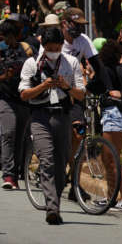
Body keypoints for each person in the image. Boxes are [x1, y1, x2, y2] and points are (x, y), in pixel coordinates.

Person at [19, 26, 85, 225]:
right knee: (46, 159)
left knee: (61, 160)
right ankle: (52, 208)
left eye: (56, 47)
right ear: (43, 46)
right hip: (40, 117)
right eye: (49, 47)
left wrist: (67, 86)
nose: (53, 51)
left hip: (62, 116)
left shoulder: (71, 63)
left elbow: (81, 94)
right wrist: (43, 86)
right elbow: (24, 94)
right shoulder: (31, 64)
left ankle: (55, 200)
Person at [0, 19, 34, 190]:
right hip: (5, 99)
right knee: (8, 133)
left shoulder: (26, 51)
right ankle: (8, 174)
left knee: (21, 138)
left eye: (3, 37)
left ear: (12, 36)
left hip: (24, 99)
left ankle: (18, 171)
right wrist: (5, 77)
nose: (0, 41)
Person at [94, 40, 122, 211]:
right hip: (116, 115)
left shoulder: (107, 71)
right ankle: (111, 197)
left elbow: (91, 87)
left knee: (112, 159)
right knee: (108, 158)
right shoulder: (117, 70)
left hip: (114, 115)